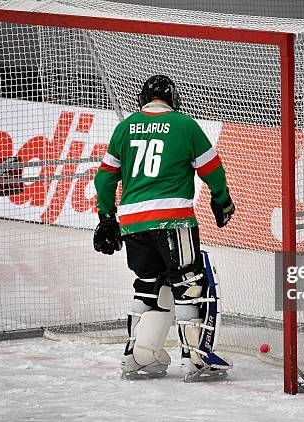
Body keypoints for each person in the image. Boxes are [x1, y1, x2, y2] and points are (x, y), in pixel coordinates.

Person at [93, 75, 235, 382]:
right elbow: (213, 169)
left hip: (133, 223)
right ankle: (197, 360)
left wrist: (106, 217)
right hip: (173, 221)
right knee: (189, 285)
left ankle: (140, 357)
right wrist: (222, 200)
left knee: (148, 284)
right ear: (172, 99)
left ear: (142, 99)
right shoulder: (184, 125)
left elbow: (104, 178)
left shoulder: (125, 127)